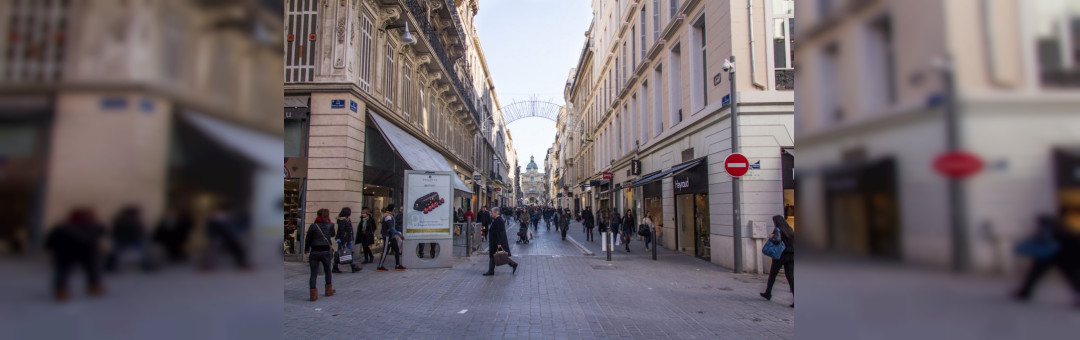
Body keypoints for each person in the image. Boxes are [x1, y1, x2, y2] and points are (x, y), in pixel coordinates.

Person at [1013, 215, 1080, 307]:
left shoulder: (1050, 230)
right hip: (1060, 256)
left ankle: (1025, 292)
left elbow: (1039, 240)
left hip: (1059, 256)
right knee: (1071, 277)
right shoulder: (1063, 230)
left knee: (1035, 274)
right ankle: (1025, 292)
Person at [45, 208, 106, 302]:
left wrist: (49, 249)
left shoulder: (62, 227)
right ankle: (94, 287)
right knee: (92, 269)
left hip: (65, 252)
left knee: (63, 271)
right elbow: (101, 233)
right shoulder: (92, 227)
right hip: (87, 252)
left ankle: (61, 290)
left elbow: (51, 240)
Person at [761, 215, 795, 308]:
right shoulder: (789, 229)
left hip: (781, 256)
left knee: (772, 275)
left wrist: (771, 237)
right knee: (790, 277)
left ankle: (768, 293)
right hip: (792, 255)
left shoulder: (778, 229)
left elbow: (777, 240)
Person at [304, 208, 336, 301]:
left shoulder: (313, 226)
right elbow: (333, 235)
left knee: (313, 274)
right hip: (326, 251)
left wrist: (306, 249)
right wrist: (330, 223)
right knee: (327, 271)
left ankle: (313, 294)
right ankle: (328, 290)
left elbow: (308, 238)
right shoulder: (330, 225)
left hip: (314, 251)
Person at [105, 206, 149, 272]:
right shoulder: (120, 221)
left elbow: (141, 233)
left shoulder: (136, 222)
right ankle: (112, 265)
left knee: (145, 248)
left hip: (133, 240)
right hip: (122, 240)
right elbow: (115, 232)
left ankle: (146, 264)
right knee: (115, 249)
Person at [483, 208, 518, 276]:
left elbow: (499, 232)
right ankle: (491, 270)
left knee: (497, 256)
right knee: (496, 256)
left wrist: (498, 243)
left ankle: (491, 271)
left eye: (492, 212)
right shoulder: (497, 220)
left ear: (496, 213)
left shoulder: (499, 220)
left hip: (496, 242)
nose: (491, 213)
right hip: (495, 241)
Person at [376, 205, 406, 272]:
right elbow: (391, 227)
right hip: (387, 236)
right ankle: (380, 266)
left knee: (397, 250)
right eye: (394, 209)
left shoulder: (390, 216)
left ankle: (397, 265)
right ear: (392, 209)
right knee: (385, 251)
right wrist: (399, 234)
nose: (394, 210)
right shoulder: (388, 216)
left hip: (391, 236)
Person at [334, 207, 360, 273]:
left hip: (348, 238)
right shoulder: (343, 220)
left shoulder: (347, 219)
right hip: (344, 239)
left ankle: (336, 266)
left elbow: (349, 230)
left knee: (344, 252)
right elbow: (341, 231)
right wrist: (343, 241)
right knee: (343, 252)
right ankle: (352, 266)